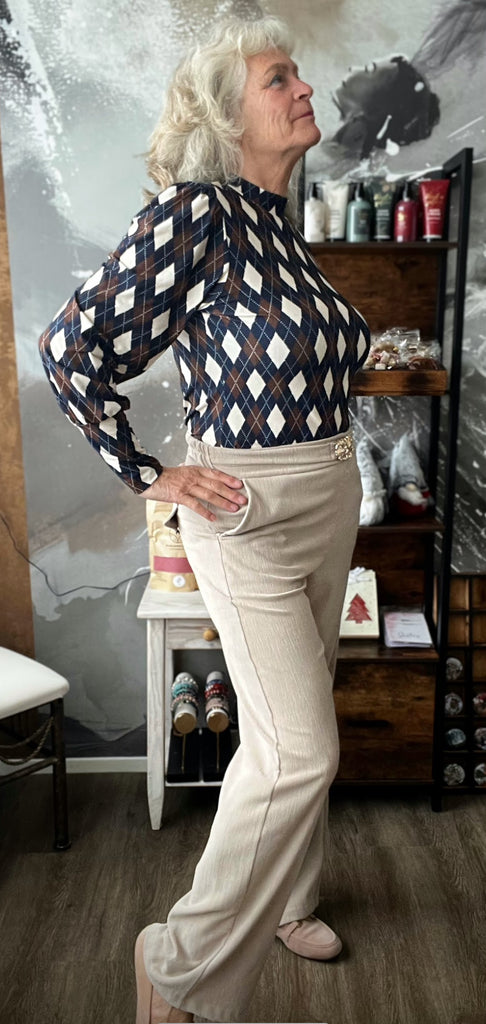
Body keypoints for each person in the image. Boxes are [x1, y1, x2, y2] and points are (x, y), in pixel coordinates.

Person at [39, 15, 370, 1024]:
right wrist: (150, 473)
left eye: (296, 74)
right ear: (229, 117)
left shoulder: (278, 222)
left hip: (328, 497)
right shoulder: (200, 214)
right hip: (250, 513)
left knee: (290, 726)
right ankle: (175, 964)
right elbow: (72, 348)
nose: (304, 89)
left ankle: (288, 899)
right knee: (299, 749)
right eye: (280, 78)